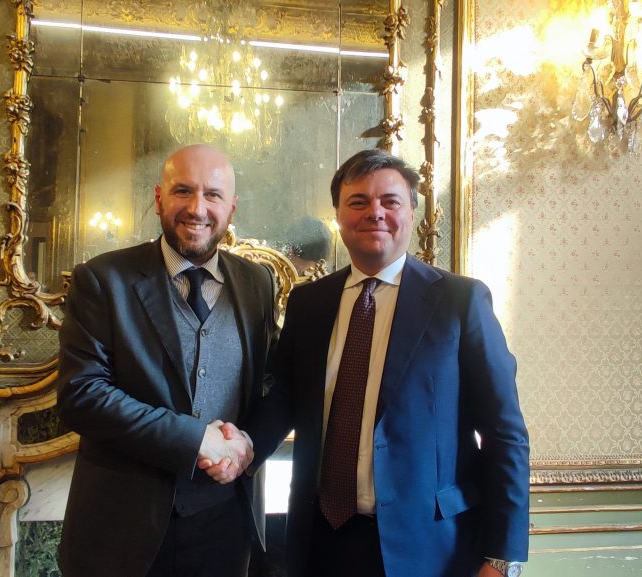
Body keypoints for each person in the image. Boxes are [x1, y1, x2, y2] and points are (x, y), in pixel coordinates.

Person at [226, 149, 530, 577]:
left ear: (412, 213)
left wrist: (502, 557)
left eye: (390, 201)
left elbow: (505, 432)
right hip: (321, 542)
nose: (375, 212)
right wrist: (243, 446)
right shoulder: (309, 302)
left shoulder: (460, 302)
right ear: (338, 215)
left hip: (430, 548)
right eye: (358, 202)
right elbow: (287, 398)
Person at [56, 144, 276, 577]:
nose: (197, 208)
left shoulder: (257, 283)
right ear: (159, 198)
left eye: (213, 195)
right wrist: (195, 440)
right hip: (122, 530)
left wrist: (248, 444)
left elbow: (272, 383)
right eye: (183, 191)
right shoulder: (102, 280)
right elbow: (81, 395)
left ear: (231, 208)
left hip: (225, 528)